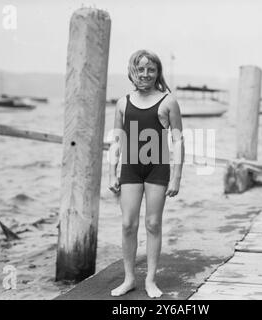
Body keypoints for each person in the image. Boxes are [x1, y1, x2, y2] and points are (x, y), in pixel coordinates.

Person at [108, 49, 184, 298]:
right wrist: (112, 172)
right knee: (128, 224)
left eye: (151, 69)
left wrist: (176, 176)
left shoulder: (168, 101)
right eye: (140, 69)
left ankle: (150, 279)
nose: (145, 74)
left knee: (152, 223)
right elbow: (116, 141)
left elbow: (178, 140)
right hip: (130, 167)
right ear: (132, 71)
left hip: (157, 167)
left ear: (157, 72)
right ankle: (129, 278)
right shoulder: (122, 103)